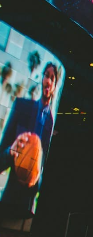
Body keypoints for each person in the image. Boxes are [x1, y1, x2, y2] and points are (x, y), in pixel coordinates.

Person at [0, 62, 59, 217]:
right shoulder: (22, 106)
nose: (49, 81)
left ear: (54, 86)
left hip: (29, 206)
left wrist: (37, 179)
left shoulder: (51, 123)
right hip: (9, 198)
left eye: (53, 79)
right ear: (42, 79)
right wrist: (10, 151)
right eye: (47, 76)